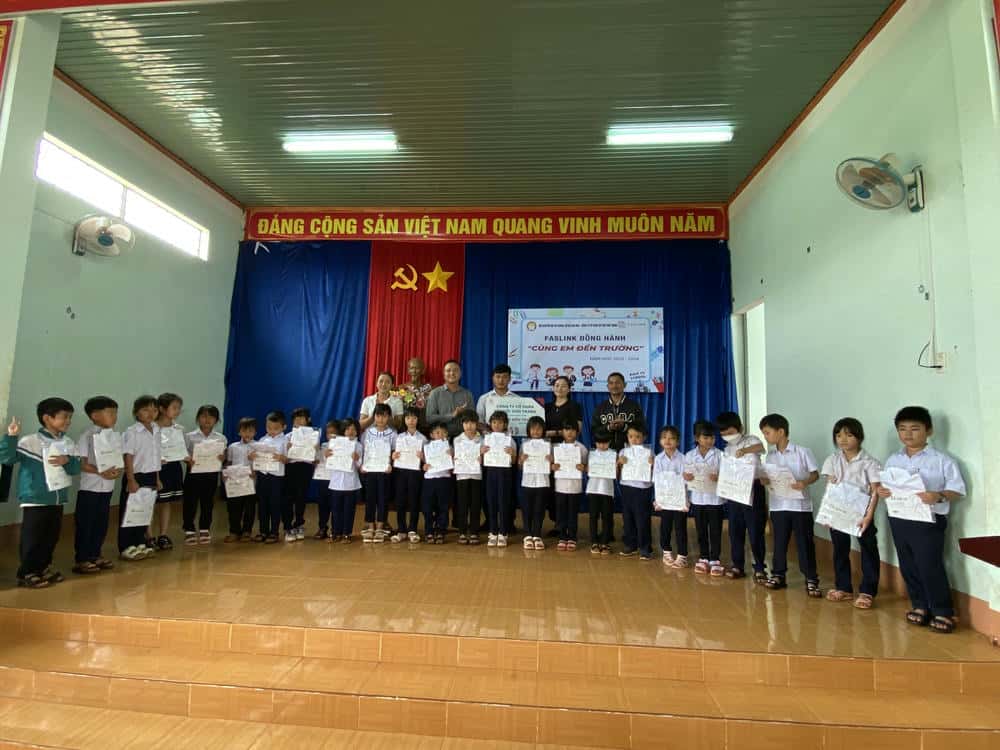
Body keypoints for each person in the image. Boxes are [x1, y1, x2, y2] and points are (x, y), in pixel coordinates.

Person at [876, 406, 966, 633]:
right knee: (908, 565)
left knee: (930, 565)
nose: (908, 434)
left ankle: (943, 611)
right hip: (899, 518)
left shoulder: (941, 460)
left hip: (929, 520)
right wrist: (882, 492)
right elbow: (885, 486)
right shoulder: (893, 460)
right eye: (902, 429)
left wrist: (938, 495)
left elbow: (957, 490)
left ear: (929, 431)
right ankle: (920, 606)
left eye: (915, 428)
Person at [1, 398, 81, 588]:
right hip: (36, 499)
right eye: (64, 417)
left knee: (50, 536)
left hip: (57, 499)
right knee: (33, 537)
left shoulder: (68, 443)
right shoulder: (30, 441)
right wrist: (11, 437)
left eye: (70, 417)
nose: (68, 421)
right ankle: (27, 572)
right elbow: (7, 458)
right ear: (47, 418)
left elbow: (75, 468)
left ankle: (43, 567)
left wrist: (67, 461)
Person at [820, 417, 881, 609]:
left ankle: (867, 591)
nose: (843, 439)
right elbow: (829, 487)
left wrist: (868, 516)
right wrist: (827, 513)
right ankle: (844, 587)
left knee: (868, 550)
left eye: (848, 434)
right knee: (840, 549)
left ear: (859, 437)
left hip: (862, 514)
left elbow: (875, 491)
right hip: (838, 513)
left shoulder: (870, 462)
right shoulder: (832, 459)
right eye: (838, 435)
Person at [758, 413, 821, 597]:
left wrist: (804, 482)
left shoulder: (802, 451)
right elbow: (769, 477)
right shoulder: (770, 456)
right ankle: (778, 575)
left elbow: (815, 474)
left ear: (781, 431)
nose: (766, 437)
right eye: (764, 433)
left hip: (800, 506)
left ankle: (811, 579)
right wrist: (764, 480)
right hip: (778, 505)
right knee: (779, 543)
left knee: (804, 543)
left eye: (767, 433)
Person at [717, 411, 768, 583]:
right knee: (735, 530)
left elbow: (761, 448)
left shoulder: (751, 439)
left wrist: (744, 450)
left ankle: (760, 567)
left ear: (740, 428)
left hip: (753, 488)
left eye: (730, 432)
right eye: (723, 434)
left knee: (755, 530)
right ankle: (737, 565)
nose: (727, 436)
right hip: (734, 491)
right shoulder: (726, 449)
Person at [73, 396, 122, 574]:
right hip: (90, 487)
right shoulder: (87, 435)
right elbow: (81, 462)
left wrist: (117, 470)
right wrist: (99, 471)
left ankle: (95, 554)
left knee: (101, 523)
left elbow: (118, 460)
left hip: (107, 487)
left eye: (115, 413)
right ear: (94, 416)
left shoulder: (114, 436)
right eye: (110, 413)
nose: (114, 416)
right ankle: (82, 558)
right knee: (86, 523)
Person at [119, 395, 162, 561]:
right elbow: (128, 457)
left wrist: (157, 478)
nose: (151, 413)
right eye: (146, 410)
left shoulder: (157, 430)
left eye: (154, 410)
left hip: (151, 475)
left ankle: (139, 542)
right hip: (136, 476)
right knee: (130, 512)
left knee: (144, 512)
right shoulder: (132, 432)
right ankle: (125, 546)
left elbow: (155, 456)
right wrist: (131, 479)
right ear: (136, 413)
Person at [684, 421, 724, 576]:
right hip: (698, 499)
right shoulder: (689, 455)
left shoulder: (720, 454)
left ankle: (715, 559)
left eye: (712, 438)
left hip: (715, 500)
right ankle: (704, 557)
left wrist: (719, 477)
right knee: (701, 530)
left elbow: (727, 476)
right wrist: (686, 477)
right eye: (705, 437)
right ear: (697, 438)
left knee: (715, 530)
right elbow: (686, 477)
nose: (709, 441)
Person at [182, 405, 225, 546]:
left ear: (217, 420)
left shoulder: (221, 438)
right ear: (198, 418)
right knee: (190, 502)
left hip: (211, 474)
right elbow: (184, 454)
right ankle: (189, 529)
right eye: (204, 416)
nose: (207, 419)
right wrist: (188, 460)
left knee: (208, 502)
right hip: (193, 474)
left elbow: (223, 457)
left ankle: (205, 528)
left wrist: (221, 458)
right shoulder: (189, 436)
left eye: (211, 416)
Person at [250, 411, 289, 544]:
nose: (271, 431)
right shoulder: (262, 439)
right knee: (262, 504)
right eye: (269, 428)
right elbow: (256, 456)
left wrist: (281, 457)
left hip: (276, 477)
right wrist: (253, 457)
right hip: (263, 475)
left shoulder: (285, 440)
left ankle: (274, 532)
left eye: (275, 428)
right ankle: (263, 531)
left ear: (284, 427)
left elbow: (288, 459)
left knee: (275, 504)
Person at [152, 392, 184, 550]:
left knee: (166, 502)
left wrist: (187, 457)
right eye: (174, 407)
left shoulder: (178, 428)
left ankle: (163, 534)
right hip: (156, 468)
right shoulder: (152, 427)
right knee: (151, 502)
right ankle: (148, 536)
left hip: (173, 467)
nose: (177, 411)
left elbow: (181, 449)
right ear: (162, 409)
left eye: (179, 408)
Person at [360, 402, 396, 542]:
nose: (381, 419)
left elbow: (395, 451)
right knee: (370, 498)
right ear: (374, 416)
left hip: (384, 471)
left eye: (384, 416)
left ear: (389, 417)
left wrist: (391, 463)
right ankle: (370, 526)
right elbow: (364, 451)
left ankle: (380, 526)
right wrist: (363, 465)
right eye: (378, 415)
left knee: (383, 498)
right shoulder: (367, 433)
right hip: (370, 471)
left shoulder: (393, 433)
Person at [618, 424, 654, 560]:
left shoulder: (649, 452)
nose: (634, 439)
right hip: (627, 487)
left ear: (644, 437)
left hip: (643, 489)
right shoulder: (623, 452)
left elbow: (654, 472)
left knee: (642, 519)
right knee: (627, 517)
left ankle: (645, 547)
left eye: (638, 437)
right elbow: (617, 472)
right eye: (631, 436)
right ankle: (630, 544)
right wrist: (619, 463)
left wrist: (652, 464)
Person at [391, 406, 426, 543]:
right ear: (404, 420)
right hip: (400, 472)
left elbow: (428, 459)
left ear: (418, 420)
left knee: (414, 501)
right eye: (408, 418)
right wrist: (393, 455)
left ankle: (412, 530)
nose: (411, 421)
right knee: (400, 501)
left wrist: (423, 457)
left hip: (415, 473)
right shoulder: (398, 437)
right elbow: (393, 455)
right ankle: (401, 530)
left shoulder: (423, 438)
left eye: (414, 418)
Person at [654, 425, 688, 568]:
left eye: (672, 438)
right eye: (664, 438)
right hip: (665, 500)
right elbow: (656, 480)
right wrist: (658, 500)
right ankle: (666, 551)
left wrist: (686, 501)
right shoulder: (658, 459)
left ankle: (682, 555)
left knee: (680, 527)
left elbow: (685, 482)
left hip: (679, 500)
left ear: (678, 442)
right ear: (660, 441)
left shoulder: (683, 458)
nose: (668, 441)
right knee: (665, 526)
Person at [552, 419, 588, 551]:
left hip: (575, 487)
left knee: (573, 513)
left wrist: (582, 467)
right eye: (567, 430)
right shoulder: (556, 448)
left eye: (573, 430)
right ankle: (562, 536)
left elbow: (586, 467)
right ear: (562, 432)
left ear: (577, 432)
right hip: (560, 486)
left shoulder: (582, 449)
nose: (570, 433)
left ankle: (572, 537)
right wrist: (553, 466)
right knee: (561, 512)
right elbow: (552, 465)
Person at [483, 410, 517, 548]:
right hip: (490, 473)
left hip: (505, 474)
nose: (497, 425)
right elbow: (479, 460)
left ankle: (503, 532)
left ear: (505, 424)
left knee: (503, 502)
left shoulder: (510, 440)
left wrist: (512, 453)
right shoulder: (486, 439)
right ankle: (492, 532)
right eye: (494, 422)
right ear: (490, 424)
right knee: (491, 502)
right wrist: (481, 452)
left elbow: (514, 461)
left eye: (500, 422)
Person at [283, 407, 316, 542]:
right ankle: (287, 526)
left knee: (301, 497)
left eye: (302, 418)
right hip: (290, 467)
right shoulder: (288, 436)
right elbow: (282, 457)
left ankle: (299, 524)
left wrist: (315, 449)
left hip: (305, 468)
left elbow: (315, 456)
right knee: (288, 498)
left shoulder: (314, 435)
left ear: (308, 420)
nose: (299, 421)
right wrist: (288, 448)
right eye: (296, 419)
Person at [591, 372, 646, 451]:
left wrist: (624, 426)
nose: (614, 386)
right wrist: (609, 427)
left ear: (624, 385)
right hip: (606, 451)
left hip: (629, 451)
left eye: (617, 383)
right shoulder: (600, 408)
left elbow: (642, 429)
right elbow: (594, 431)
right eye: (611, 383)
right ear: (607, 386)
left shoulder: (634, 406)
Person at [519, 415, 551, 550]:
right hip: (527, 481)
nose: (536, 432)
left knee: (539, 509)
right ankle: (527, 534)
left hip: (542, 481)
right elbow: (519, 466)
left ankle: (537, 534)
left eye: (539, 429)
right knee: (527, 509)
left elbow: (554, 465)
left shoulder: (548, 445)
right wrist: (521, 460)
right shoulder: (524, 444)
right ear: (528, 430)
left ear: (543, 430)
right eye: (533, 429)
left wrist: (551, 460)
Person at [328, 418, 362, 543]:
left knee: (349, 510)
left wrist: (357, 459)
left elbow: (360, 466)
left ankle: (347, 533)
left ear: (357, 431)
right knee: (335, 509)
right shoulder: (335, 443)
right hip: (336, 483)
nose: (350, 431)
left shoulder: (358, 445)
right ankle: (335, 532)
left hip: (350, 483)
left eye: (353, 429)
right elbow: (329, 463)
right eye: (347, 429)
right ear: (343, 431)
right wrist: (327, 456)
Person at [225, 417, 258, 542]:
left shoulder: (258, 446)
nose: (247, 433)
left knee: (249, 508)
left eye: (250, 431)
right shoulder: (233, 446)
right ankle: (234, 531)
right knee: (234, 508)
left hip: (251, 483)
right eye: (244, 430)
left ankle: (247, 531)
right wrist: (227, 473)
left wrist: (255, 471)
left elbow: (262, 463)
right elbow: (228, 462)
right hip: (235, 483)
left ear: (255, 432)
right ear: (239, 432)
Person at [453, 410, 483, 544]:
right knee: (462, 504)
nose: (469, 426)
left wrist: (482, 456)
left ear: (476, 424)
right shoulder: (457, 439)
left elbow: (486, 459)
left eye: (472, 423)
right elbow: (455, 457)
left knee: (475, 504)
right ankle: (462, 532)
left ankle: (475, 532)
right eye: (466, 423)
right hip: (462, 475)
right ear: (462, 424)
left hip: (477, 476)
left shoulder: (482, 439)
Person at [421, 422, 453, 543]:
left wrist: (452, 455)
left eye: (443, 432)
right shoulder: (427, 447)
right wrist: (424, 465)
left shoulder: (450, 447)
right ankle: (429, 530)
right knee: (427, 507)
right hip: (429, 480)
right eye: (437, 432)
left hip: (444, 479)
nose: (440, 435)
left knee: (443, 507)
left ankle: (441, 530)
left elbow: (457, 464)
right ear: (431, 435)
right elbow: (424, 465)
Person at [425, 360, 474, 439]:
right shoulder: (435, 393)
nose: (452, 373)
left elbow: (473, 418)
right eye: (448, 371)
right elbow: (429, 418)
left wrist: (464, 412)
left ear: (460, 374)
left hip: (463, 438)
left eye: (455, 370)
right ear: (444, 374)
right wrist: (451, 415)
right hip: (441, 438)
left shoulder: (467, 394)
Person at [586, 429, 615, 555]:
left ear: (609, 442)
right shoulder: (591, 454)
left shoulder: (613, 454)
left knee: (607, 517)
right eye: (599, 443)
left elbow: (616, 473)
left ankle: (605, 542)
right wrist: (586, 468)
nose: (602, 445)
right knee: (593, 516)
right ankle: (594, 542)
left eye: (605, 443)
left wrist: (618, 466)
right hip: (593, 488)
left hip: (607, 490)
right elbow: (587, 470)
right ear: (595, 443)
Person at [312, 419, 338, 540]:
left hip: (336, 481)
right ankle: (322, 527)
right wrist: (318, 454)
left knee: (335, 506)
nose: (331, 435)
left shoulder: (342, 445)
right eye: (328, 433)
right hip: (323, 480)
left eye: (334, 433)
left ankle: (335, 529)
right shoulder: (322, 445)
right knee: (323, 505)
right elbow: (315, 461)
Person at [543, 376, 583, 442]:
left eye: (563, 386)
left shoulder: (574, 406)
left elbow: (577, 430)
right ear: (553, 388)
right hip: (546, 444)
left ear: (569, 389)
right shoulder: (546, 406)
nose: (559, 389)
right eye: (557, 386)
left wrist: (554, 433)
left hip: (566, 445)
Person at [399, 357, 433, 430]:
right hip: (405, 427)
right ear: (408, 370)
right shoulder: (401, 388)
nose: (414, 371)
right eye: (411, 368)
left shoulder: (429, 389)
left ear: (423, 371)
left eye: (417, 368)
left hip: (424, 426)